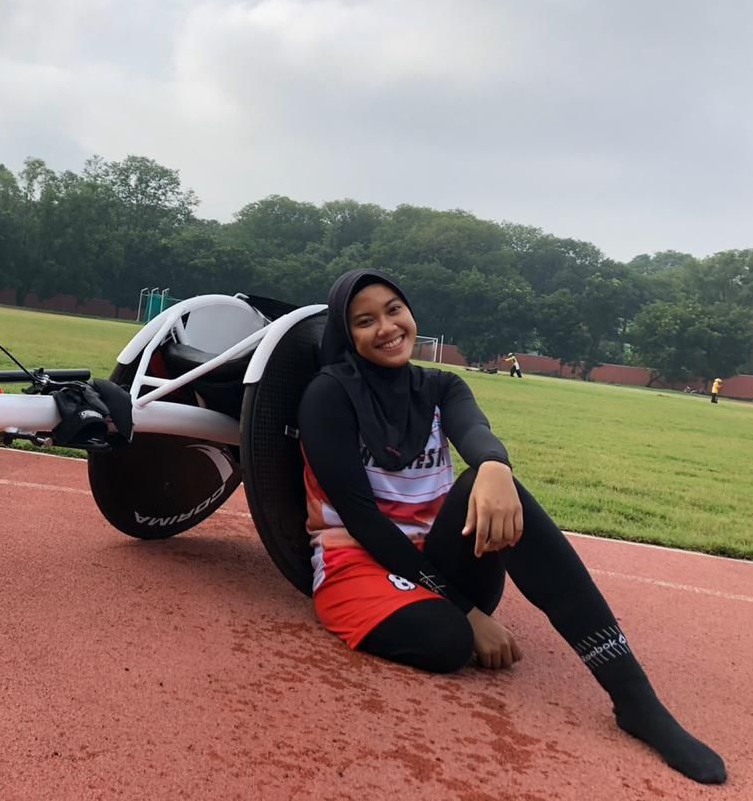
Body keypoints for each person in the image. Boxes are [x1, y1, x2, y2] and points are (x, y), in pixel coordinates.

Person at [297, 269, 726, 784]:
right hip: (359, 562)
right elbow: (363, 521)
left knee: (495, 485)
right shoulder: (328, 395)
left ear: (410, 312)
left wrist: (495, 467)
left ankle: (636, 701)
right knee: (449, 640)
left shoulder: (441, 385)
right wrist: (469, 612)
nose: (387, 328)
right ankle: (455, 616)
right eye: (365, 321)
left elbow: (474, 430)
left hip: (437, 555)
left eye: (394, 310)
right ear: (347, 334)